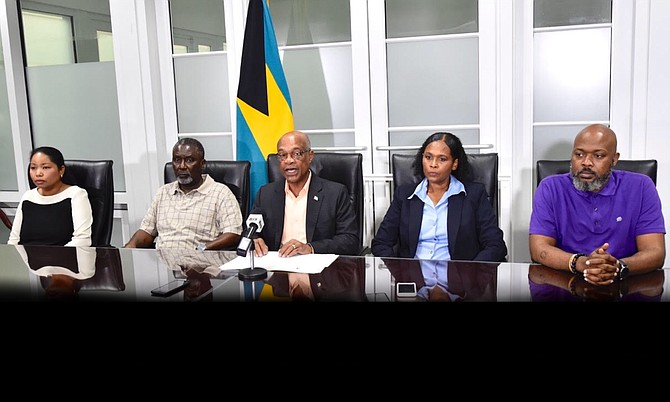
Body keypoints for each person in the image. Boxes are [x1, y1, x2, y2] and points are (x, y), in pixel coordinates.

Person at [529, 123, 666, 285]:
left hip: (624, 284)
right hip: (566, 284)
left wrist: (617, 266)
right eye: (579, 154)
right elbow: (539, 249)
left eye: (598, 156)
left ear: (614, 159)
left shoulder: (641, 186)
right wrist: (581, 263)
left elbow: (655, 252)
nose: (586, 162)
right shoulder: (550, 187)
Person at [371, 132, 508, 262]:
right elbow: (381, 243)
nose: (433, 164)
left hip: (458, 281)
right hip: (414, 279)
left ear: (454, 164)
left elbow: (495, 245)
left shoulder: (474, 195)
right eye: (428, 157)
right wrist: (400, 271)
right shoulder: (405, 195)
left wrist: (470, 273)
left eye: (442, 159)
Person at [249, 130, 359, 257]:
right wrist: (255, 240)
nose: (288, 160)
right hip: (277, 268)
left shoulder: (335, 193)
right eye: (282, 155)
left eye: (296, 154)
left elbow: (350, 240)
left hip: (318, 271)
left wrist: (310, 248)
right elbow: (251, 230)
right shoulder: (266, 194)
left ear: (310, 156)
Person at [124, 137, 243, 250]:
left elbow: (234, 233)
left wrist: (203, 249)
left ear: (202, 164)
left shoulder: (220, 193)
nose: (182, 166)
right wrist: (130, 246)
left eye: (189, 160)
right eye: (177, 160)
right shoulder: (163, 192)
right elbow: (146, 231)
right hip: (163, 263)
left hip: (201, 264)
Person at [8, 146, 93, 247]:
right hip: (27, 261)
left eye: (46, 167)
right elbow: (14, 240)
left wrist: (52, 260)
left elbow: (83, 240)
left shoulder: (76, 194)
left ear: (61, 170)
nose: (38, 173)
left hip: (63, 259)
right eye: (33, 168)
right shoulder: (28, 196)